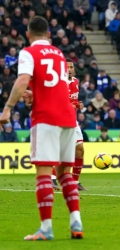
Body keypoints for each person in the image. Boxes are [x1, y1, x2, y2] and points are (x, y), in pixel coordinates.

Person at [0, 16, 83, 240]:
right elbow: (56, 86)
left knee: (44, 175)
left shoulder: (28, 52)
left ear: (28, 34)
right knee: (65, 173)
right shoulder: (59, 54)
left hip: (46, 119)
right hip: (68, 117)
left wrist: (7, 108)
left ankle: (46, 229)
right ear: (48, 35)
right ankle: (76, 223)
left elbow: (23, 79)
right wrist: (34, 94)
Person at [51, 58, 87, 191]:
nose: (70, 69)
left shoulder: (76, 82)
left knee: (80, 149)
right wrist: (75, 104)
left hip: (72, 120)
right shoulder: (57, 82)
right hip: (58, 120)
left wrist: (78, 104)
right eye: (67, 67)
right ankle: (52, 179)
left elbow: (73, 101)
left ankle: (75, 181)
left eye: (71, 67)